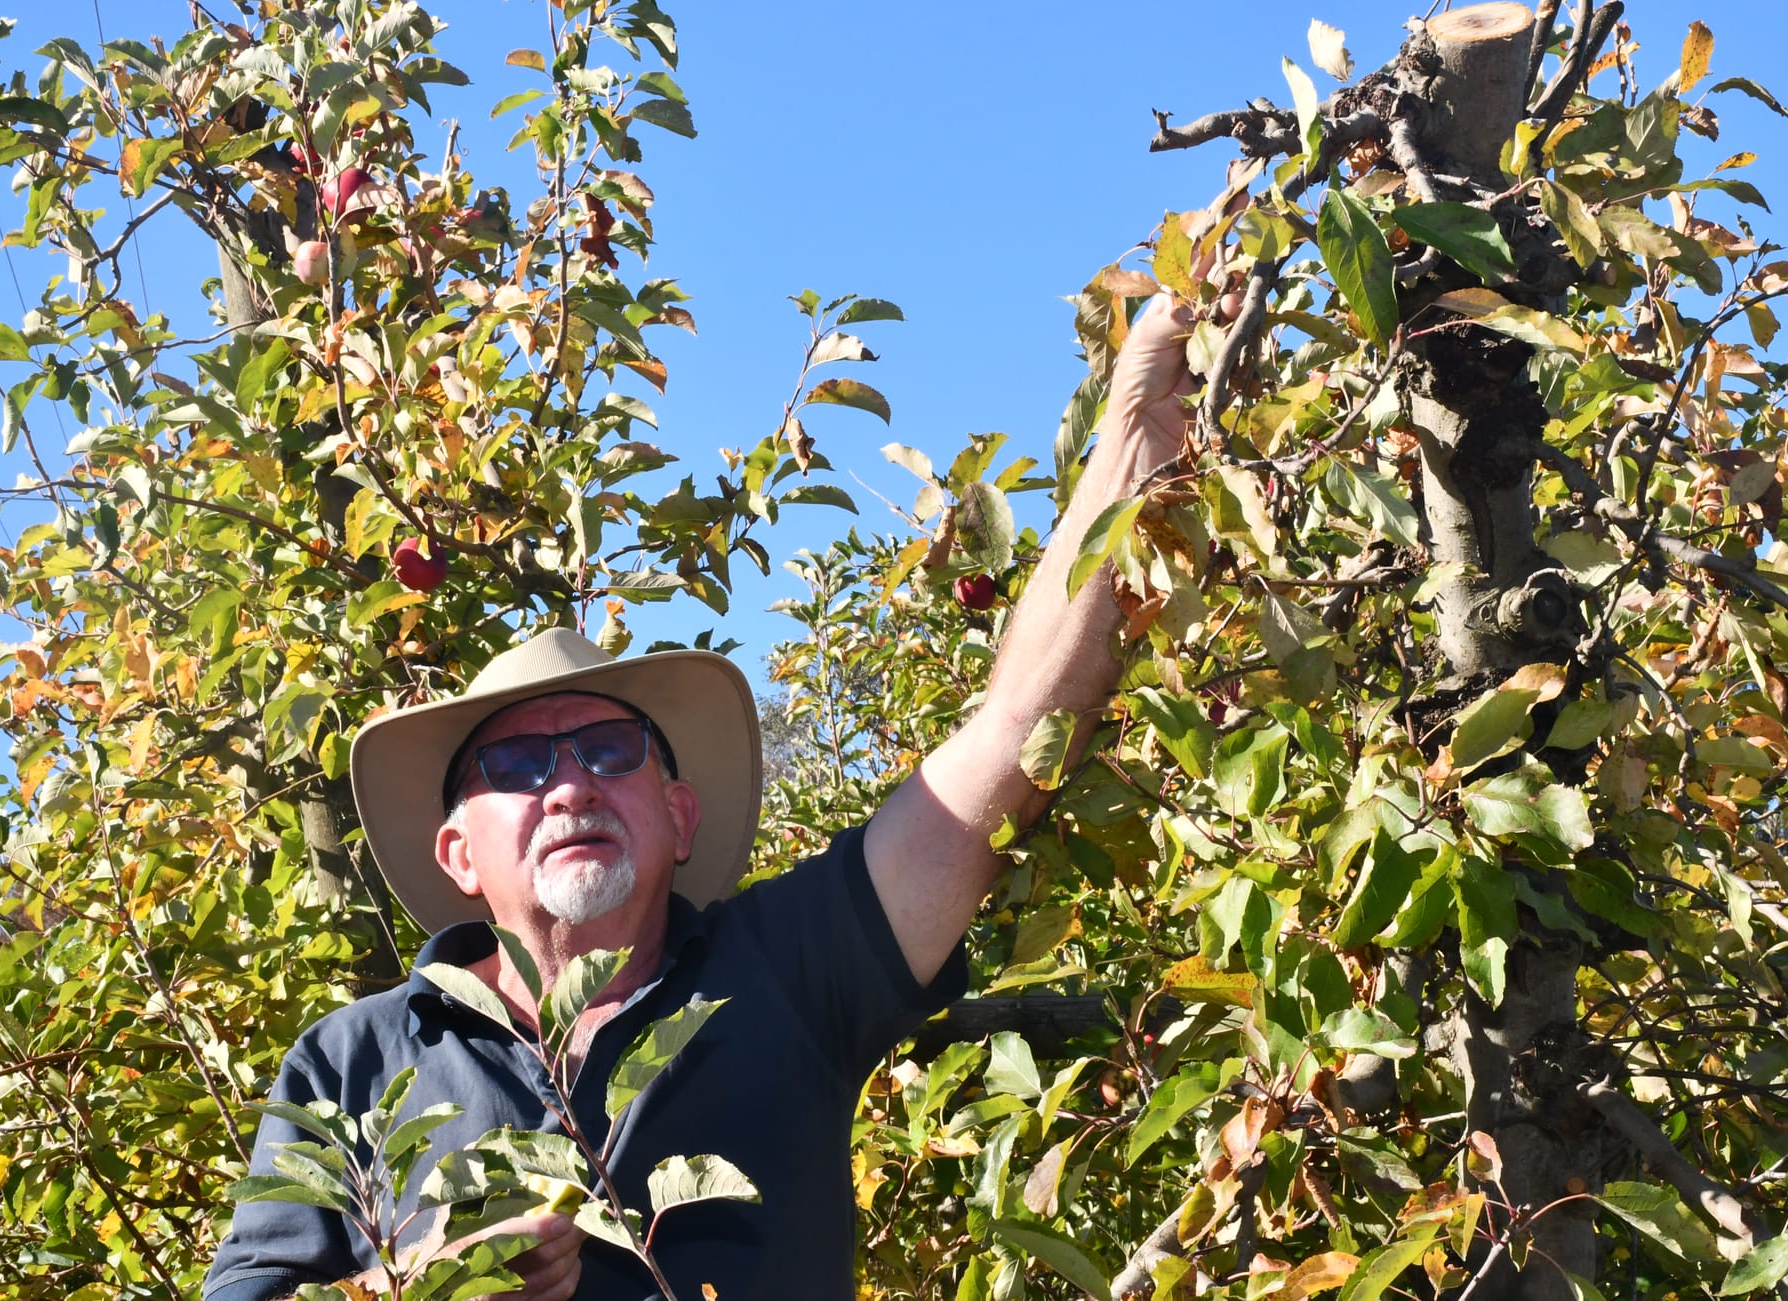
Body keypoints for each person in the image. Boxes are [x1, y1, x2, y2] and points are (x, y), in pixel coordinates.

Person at [203, 296, 1200, 1301]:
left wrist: (1127, 447)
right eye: (515, 767)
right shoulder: (355, 1060)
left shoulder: (784, 971)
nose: (569, 782)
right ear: (459, 852)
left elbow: (1010, 741)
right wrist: (408, 1291)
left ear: (677, 817)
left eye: (607, 746)